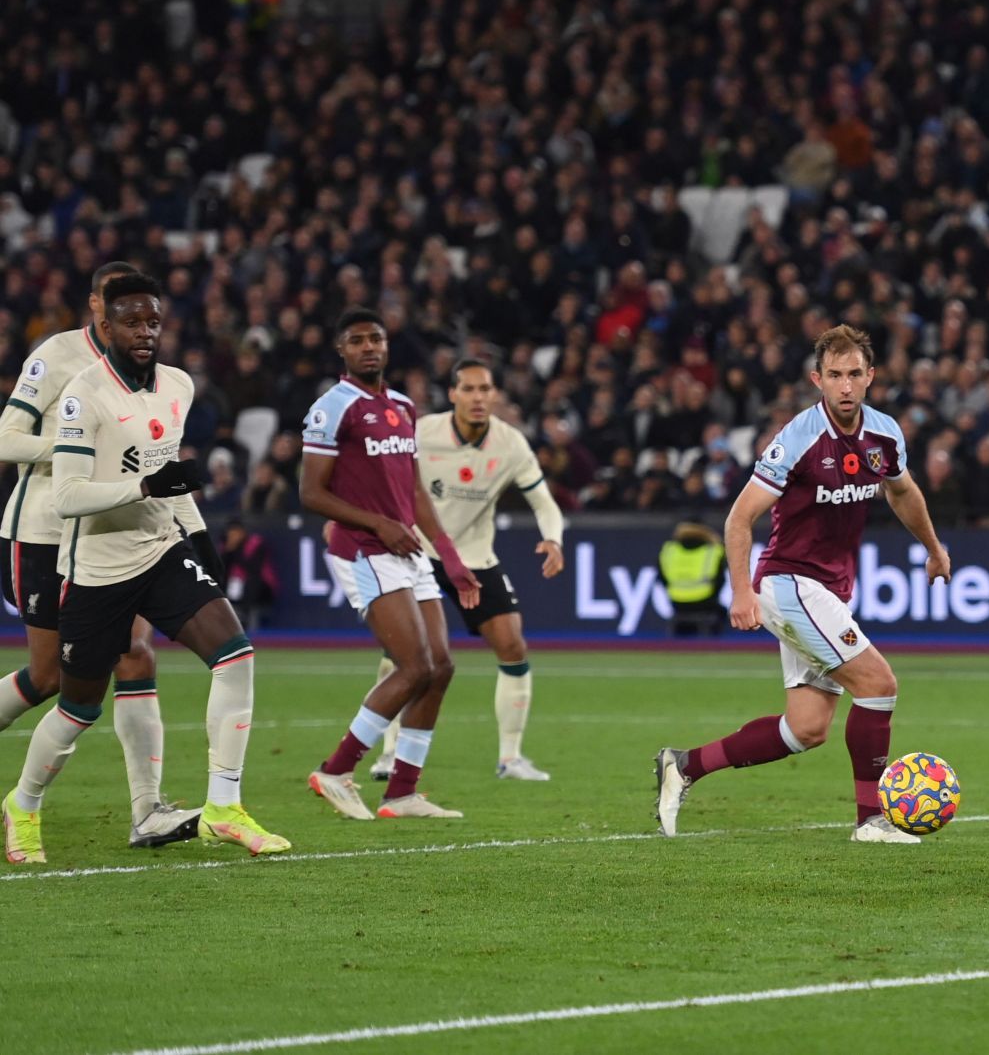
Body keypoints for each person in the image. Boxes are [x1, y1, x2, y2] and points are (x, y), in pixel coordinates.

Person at [2, 271, 287, 862]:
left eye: (153, 321)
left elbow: (167, 471)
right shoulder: (84, 392)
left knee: (235, 655)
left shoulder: (178, 386)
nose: (145, 332)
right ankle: (23, 805)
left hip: (160, 551)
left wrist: (200, 537)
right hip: (98, 567)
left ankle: (223, 806)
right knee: (75, 703)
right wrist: (142, 486)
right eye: (131, 321)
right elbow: (68, 497)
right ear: (103, 325)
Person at [654, 325, 951, 843]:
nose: (845, 386)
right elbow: (738, 519)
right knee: (879, 686)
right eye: (834, 375)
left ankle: (684, 765)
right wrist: (742, 591)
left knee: (806, 729)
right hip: (789, 584)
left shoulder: (883, 433)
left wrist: (933, 547)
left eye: (854, 374)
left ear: (870, 377)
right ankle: (872, 821)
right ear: (818, 379)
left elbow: (902, 493)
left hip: (828, 591)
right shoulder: (797, 439)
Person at [0, 261, 194, 848]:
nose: (137, 323)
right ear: (95, 308)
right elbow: (5, 437)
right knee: (51, 676)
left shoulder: (154, 373)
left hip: (116, 532)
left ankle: (147, 812)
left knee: (136, 656)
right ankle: (26, 805)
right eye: (117, 307)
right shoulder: (57, 355)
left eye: (144, 314)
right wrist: (75, 452)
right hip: (43, 530)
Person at [300, 308, 482, 820]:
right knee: (414, 665)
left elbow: (414, 490)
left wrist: (450, 557)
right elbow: (311, 493)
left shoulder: (402, 405)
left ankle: (402, 792)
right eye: (356, 340)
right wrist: (378, 524)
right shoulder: (333, 407)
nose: (368, 347)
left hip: (407, 549)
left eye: (375, 338)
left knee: (440, 667)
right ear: (342, 350)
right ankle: (335, 770)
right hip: (363, 548)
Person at [363, 359, 566, 782]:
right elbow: (380, 480)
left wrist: (553, 539)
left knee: (512, 645)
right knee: (404, 655)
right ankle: (388, 753)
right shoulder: (422, 433)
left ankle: (510, 759)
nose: (478, 398)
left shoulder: (511, 444)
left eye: (485, 389)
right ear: (452, 394)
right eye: (469, 389)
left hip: (473, 556)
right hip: (416, 552)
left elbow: (544, 501)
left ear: (494, 395)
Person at [659, 518, 725, 636]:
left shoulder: (669, 549)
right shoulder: (713, 550)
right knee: (723, 613)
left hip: (676, 601)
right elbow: (720, 580)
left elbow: (661, 578)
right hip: (705, 601)